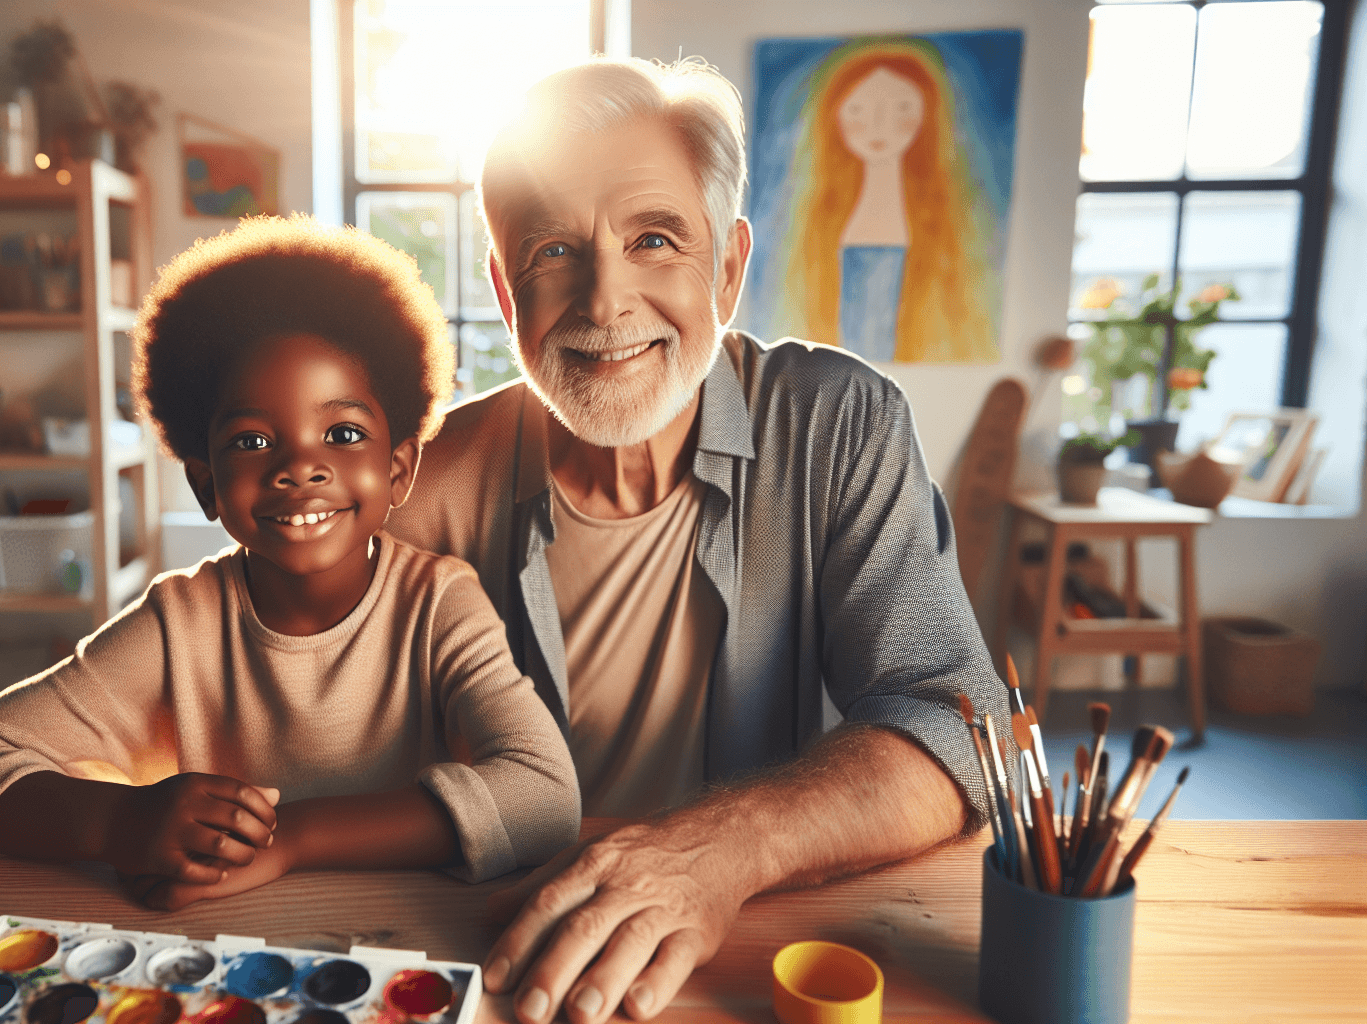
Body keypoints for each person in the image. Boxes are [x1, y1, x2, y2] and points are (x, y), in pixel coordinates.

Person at [383, 57, 1008, 1024]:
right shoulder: (423, 477)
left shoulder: (839, 424)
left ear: (727, 267)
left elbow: (957, 724)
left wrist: (724, 849)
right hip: (496, 950)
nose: (603, 303)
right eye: (554, 252)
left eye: (654, 239)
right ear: (509, 297)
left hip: (753, 953)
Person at [0, 216, 581, 910]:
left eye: (343, 433)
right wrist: (121, 823)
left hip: (410, 945)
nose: (300, 466)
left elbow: (542, 796)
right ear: (206, 484)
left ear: (398, 470)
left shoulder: (440, 604)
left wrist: (290, 839)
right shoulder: (179, 624)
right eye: (253, 439)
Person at [771, 38, 998, 362]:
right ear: (834, 117)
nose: (878, 126)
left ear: (926, 116)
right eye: (858, 110)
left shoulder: (948, 233)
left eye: (901, 109)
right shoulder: (817, 226)